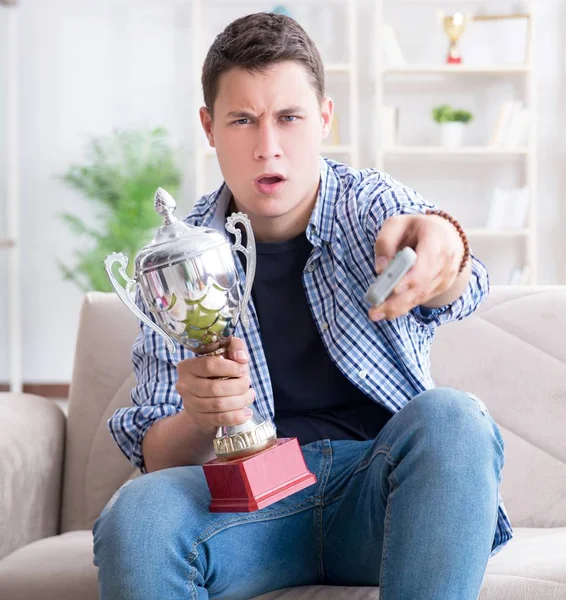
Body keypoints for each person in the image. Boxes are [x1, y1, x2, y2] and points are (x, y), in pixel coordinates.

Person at [93, 12, 512, 600]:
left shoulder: (367, 204)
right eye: (243, 120)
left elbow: (456, 273)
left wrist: (444, 247)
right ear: (209, 127)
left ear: (324, 118)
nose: (269, 148)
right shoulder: (176, 261)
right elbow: (160, 459)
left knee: (455, 418)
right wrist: (200, 415)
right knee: (140, 512)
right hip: (252, 511)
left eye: (289, 117)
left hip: (382, 498)